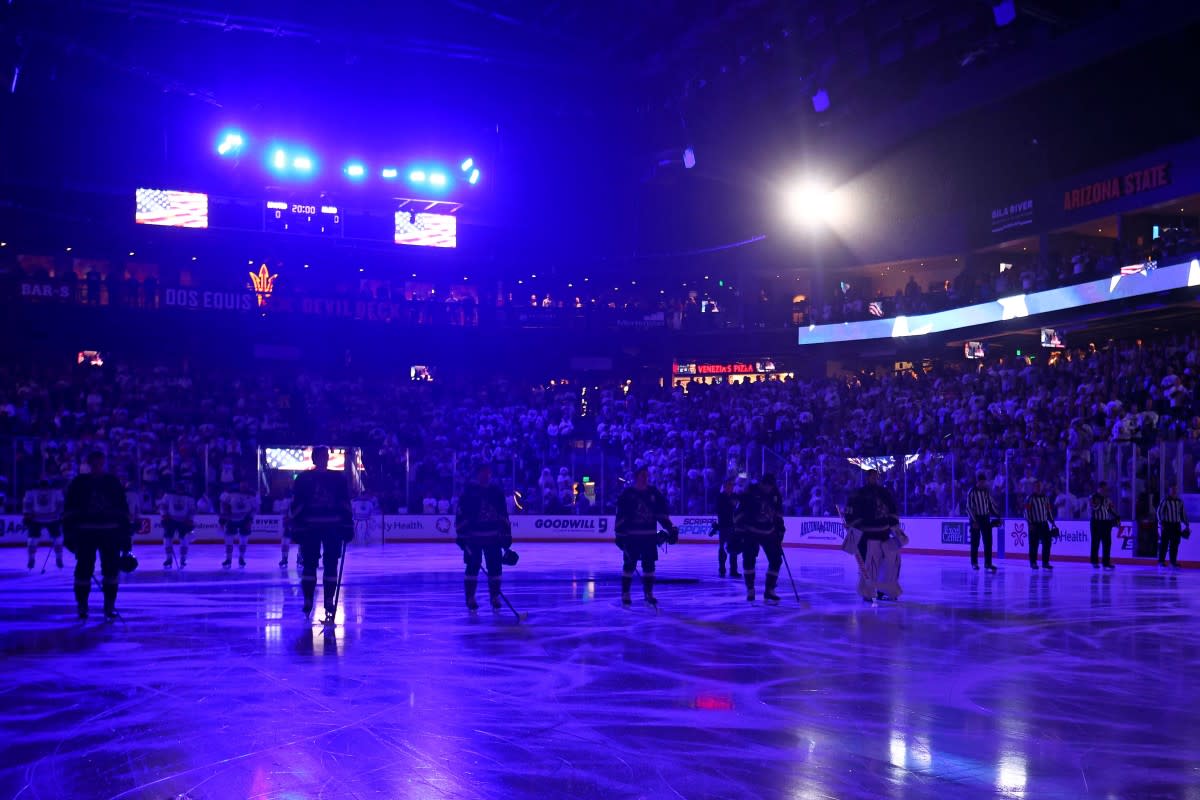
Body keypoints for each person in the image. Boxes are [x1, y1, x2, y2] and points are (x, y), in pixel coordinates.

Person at [63, 451, 132, 620]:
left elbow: (123, 510)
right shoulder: (79, 483)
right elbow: (69, 510)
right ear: (89, 464)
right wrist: (69, 534)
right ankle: (82, 605)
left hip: (109, 533)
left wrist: (125, 538)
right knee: (84, 570)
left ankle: (109, 605)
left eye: (100, 463)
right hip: (86, 533)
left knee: (110, 570)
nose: (97, 466)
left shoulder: (112, 482)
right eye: (95, 463)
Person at [290, 446, 353, 623]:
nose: (323, 459)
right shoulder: (335, 478)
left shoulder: (306, 478)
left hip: (320, 527)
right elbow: (297, 505)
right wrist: (347, 525)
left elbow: (344, 503)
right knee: (316, 565)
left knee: (323, 564)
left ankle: (324, 600)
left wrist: (348, 525)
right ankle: (314, 599)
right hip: (324, 527)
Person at [454, 461, 513, 612]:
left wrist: (506, 538)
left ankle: (494, 596)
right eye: (483, 472)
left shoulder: (496, 492)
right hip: (473, 537)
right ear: (477, 474)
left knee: (495, 568)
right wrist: (461, 537)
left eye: (488, 472)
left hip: (493, 536)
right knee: (472, 566)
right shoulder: (469, 492)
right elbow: (461, 514)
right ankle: (470, 598)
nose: (486, 475)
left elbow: (503, 515)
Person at [614, 465, 676, 608]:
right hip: (632, 537)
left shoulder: (653, 493)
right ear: (636, 477)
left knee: (649, 565)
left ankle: (648, 593)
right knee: (629, 565)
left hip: (649, 537)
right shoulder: (627, 494)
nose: (645, 477)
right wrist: (619, 535)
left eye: (646, 475)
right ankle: (625, 593)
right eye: (642, 475)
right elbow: (620, 516)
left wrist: (670, 528)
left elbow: (661, 514)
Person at [735, 475, 785, 603]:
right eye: (766, 485)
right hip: (750, 532)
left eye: (771, 486)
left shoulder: (775, 495)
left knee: (776, 560)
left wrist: (780, 530)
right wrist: (739, 531)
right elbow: (739, 512)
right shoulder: (750, 493)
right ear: (762, 484)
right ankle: (750, 589)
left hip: (769, 532)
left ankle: (770, 590)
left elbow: (778, 515)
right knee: (749, 560)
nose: (769, 488)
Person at [23, 479, 65, 570]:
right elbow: (27, 504)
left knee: (57, 539)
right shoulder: (33, 492)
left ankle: (59, 558)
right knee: (33, 540)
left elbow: (61, 504)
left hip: (51, 517)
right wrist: (27, 514)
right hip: (39, 518)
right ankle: (31, 559)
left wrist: (60, 514)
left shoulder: (55, 491)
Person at [967, 473, 1001, 572]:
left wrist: (998, 515)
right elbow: (968, 508)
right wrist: (974, 521)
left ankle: (988, 563)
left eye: (984, 482)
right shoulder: (972, 492)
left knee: (988, 541)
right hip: (976, 519)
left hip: (986, 518)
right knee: (975, 542)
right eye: (982, 482)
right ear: (977, 482)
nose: (983, 484)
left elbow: (991, 504)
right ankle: (974, 563)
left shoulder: (986, 491)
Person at [219, 479, 256, 568]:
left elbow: (254, 508)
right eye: (242, 483)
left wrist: (250, 519)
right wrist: (223, 518)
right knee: (229, 541)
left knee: (243, 541)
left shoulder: (252, 494)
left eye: (245, 484)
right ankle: (228, 559)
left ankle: (241, 558)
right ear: (239, 484)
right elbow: (223, 504)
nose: (243, 485)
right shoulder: (231, 493)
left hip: (245, 519)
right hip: (231, 519)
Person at [158, 483, 196, 569]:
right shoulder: (168, 495)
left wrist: (190, 520)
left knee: (184, 540)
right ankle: (168, 558)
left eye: (181, 488)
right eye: (178, 488)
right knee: (167, 539)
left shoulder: (189, 497)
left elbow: (192, 510)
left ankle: (183, 559)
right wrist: (164, 516)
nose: (180, 490)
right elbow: (163, 506)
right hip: (170, 520)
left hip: (184, 521)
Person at [1024, 480, 1056, 570]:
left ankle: (1045, 562)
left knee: (1047, 543)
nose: (1038, 488)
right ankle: (1033, 562)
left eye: (1039, 486)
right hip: (1034, 524)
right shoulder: (1029, 498)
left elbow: (1048, 510)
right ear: (1033, 487)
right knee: (1033, 544)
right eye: (1036, 486)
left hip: (1044, 523)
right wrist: (1030, 523)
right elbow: (1026, 512)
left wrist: (1052, 521)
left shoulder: (1045, 498)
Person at [714, 477, 740, 578]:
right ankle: (722, 568)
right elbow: (719, 510)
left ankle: (733, 570)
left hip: (733, 525)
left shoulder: (734, 496)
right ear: (725, 487)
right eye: (729, 485)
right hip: (724, 525)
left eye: (732, 485)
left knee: (734, 547)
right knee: (722, 547)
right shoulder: (720, 497)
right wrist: (730, 505)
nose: (731, 487)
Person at [1156, 485, 1188, 568]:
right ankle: (1161, 562)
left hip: (1177, 525)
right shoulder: (1165, 500)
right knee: (1164, 544)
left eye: (1175, 490)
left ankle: (1172, 562)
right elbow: (1159, 512)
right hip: (1167, 524)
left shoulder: (1179, 501)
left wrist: (1186, 524)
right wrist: (1161, 523)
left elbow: (1182, 514)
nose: (1174, 491)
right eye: (1172, 490)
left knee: (1175, 544)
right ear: (1169, 491)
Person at [1090, 481, 1118, 570]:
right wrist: (1101, 500)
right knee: (1096, 542)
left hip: (1106, 522)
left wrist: (1117, 517)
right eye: (1104, 488)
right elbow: (1094, 508)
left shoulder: (1107, 498)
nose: (1106, 490)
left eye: (1106, 489)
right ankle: (1094, 562)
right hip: (1096, 522)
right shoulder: (1094, 497)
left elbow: (1110, 509)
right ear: (1100, 488)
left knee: (1107, 543)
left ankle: (1106, 562)